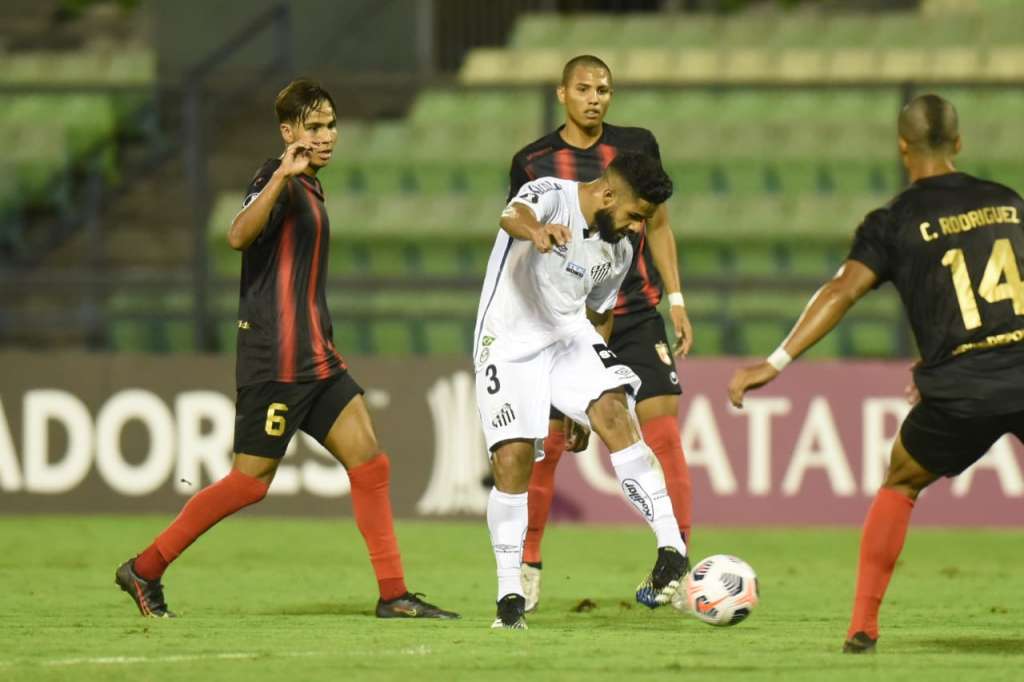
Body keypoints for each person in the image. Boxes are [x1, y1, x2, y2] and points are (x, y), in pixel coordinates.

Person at [114, 78, 458, 620]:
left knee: (369, 460)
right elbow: (236, 234)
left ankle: (394, 594)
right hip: (275, 358)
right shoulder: (276, 179)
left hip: (316, 357)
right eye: (314, 127)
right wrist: (279, 174)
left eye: (331, 125)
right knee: (249, 483)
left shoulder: (313, 187)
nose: (326, 136)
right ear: (288, 131)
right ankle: (146, 567)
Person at [727, 94, 1024, 653]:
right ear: (959, 144)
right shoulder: (1009, 203)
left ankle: (862, 626)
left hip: (961, 389)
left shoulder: (895, 221)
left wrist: (774, 362)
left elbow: (842, 291)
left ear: (901, 146)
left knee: (902, 482)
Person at [507, 54, 694, 614]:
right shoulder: (534, 161)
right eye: (584, 88)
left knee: (662, 429)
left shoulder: (636, 147)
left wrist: (677, 296)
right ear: (563, 94)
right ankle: (529, 561)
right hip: (558, 318)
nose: (595, 97)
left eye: (604, 89)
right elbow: (522, 235)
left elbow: (657, 222)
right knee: (550, 442)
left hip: (632, 307)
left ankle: (676, 565)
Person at [476, 150, 688, 629]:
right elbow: (513, 214)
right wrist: (538, 232)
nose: (637, 228)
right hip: (508, 341)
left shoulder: (619, 249)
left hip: (570, 334)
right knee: (511, 460)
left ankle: (671, 546)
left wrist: (577, 407)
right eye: (636, 215)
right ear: (608, 193)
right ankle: (510, 595)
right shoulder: (552, 194)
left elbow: (600, 314)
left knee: (615, 410)